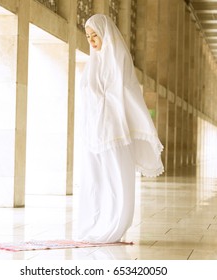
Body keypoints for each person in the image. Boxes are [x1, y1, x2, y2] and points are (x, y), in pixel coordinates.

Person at [76, 14, 164, 243]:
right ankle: (96, 224)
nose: (92, 40)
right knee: (95, 182)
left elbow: (126, 92)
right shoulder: (93, 63)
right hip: (93, 133)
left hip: (114, 132)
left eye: (95, 35)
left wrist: (143, 125)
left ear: (106, 33)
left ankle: (115, 225)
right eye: (88, 36)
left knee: (117, 180)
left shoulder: (118, 58)